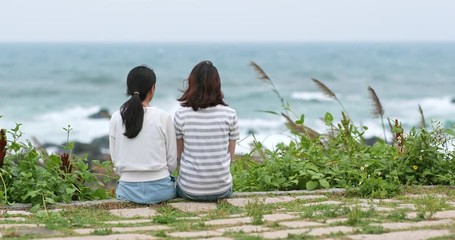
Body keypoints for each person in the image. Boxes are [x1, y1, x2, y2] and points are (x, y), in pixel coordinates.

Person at [109, 65, 177, 204]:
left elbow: (115, 161)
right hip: (161, 189)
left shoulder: (116, 117)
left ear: (128, 89)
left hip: (127, 191)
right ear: (152, 89)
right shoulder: (163, 117)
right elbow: (172, 161)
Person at [174, 60, 240, 201]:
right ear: (217, 85)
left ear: (192, 84)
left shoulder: (181, 114)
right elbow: (230, 158)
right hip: (222, 190)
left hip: (189, 190)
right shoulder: (230, 114)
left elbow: (178, 156)